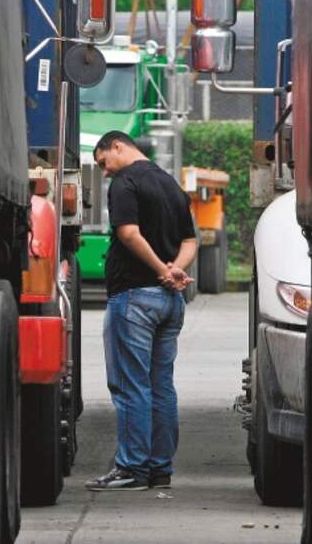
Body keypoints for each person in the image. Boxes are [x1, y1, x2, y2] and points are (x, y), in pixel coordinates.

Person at [84, 131, 197, 491]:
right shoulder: (170, 184)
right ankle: (159, 469)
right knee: (161, 386)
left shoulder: (125, 183)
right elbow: (190, 240)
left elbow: (129, 234)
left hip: (134, 297)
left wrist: (163, 270)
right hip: (169, 301)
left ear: (118, 146)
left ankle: (132, 468)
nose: (105, 171)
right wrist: (175, 270)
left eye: (103, 162)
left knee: (130, 385)